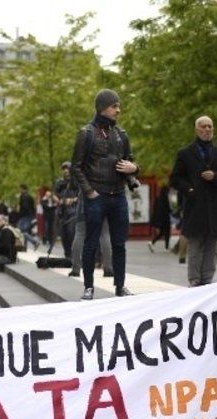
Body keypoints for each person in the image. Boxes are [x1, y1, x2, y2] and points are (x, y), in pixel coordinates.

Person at [71, 88, 139, 300]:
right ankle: (88, 287)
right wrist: (89, 192)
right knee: (91, 243)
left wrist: (134, 170)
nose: (118, 110)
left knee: (119, 244)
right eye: (114, 106)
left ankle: (120, 286)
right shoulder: (86, 133)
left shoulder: (122, 135)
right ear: (102, 108)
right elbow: (76, 167)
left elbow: (129, 161)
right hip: (97, 196)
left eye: (118, 105)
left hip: (118, 195)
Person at [171, 115, 217, 286]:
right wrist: (189, 189)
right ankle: (194, 281)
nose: (207, 130)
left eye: (210, 127)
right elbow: (175, 179)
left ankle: (207, 282)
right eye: (204, 127)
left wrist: (215, 176)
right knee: (195, 246)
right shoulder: (185, 153)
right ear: (197, 129)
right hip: (194, 206)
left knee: (211, 247)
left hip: (214, 207)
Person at [54, 161, 81, 258]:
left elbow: (82, 195)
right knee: (64, 235)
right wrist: (59, 200)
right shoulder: (59, 182)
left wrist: (73, 199)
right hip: (62, 212)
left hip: (74, 211)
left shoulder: (77, 181)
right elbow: (55, 195)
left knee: (71, 233)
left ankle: (75, 255)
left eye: (68, 169)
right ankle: (67, 255)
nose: (66, 171)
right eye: (64, 170)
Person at [148, 183, 172, 252]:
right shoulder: (165, 199)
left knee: (161, 233)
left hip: (158, 220)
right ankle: (166, 247)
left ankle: (152, 242)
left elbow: (154, 209)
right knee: (167, 233)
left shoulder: (157, 198)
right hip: (165, 219)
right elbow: (168, 209)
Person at [17, 184, 40, 250]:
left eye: (20, 189)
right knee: (24, 232)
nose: (19, 190)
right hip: (29, 216)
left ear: (22, 189)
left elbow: (25, 206)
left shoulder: (23, 196)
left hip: (24, 216)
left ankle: (34, 242)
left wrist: (19, 211)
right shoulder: (30, 196)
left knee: (20, 232)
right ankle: (25, 247)